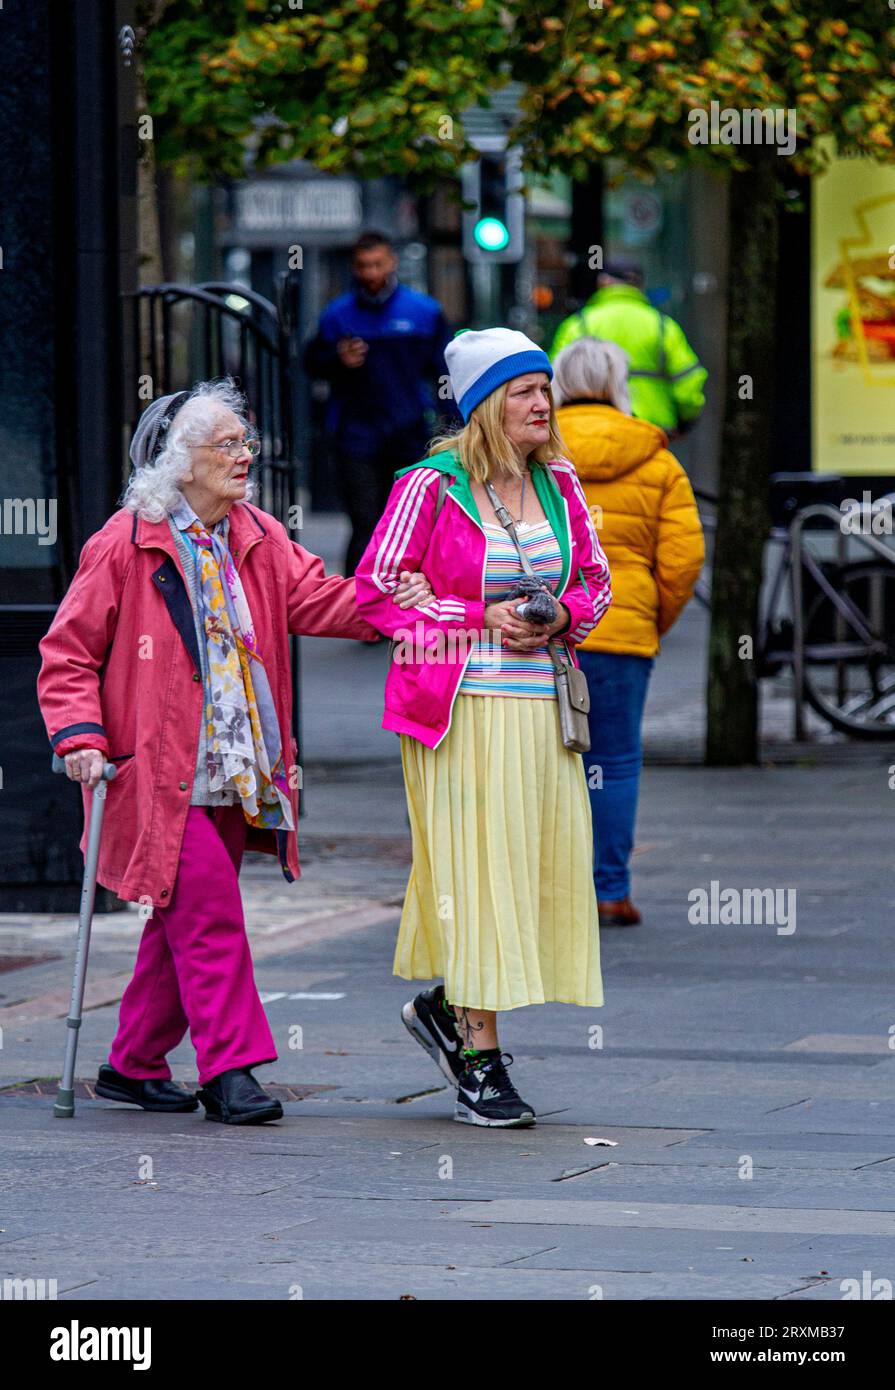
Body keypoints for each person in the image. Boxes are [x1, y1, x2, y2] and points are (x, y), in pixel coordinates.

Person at [37, 380, 431, 1125]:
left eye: (245, 442)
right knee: (211, 916)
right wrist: (80, 737)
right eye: (228, 444)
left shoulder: (254, 534)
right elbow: (67, 654)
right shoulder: (126, 543)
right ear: (181, 460)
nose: (246, 455)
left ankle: (131, 1065)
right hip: (157, 773)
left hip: (234, 765)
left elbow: (317, 599)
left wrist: (390, 601)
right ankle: (232, 1072)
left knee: (180, 921)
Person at [355, 328, 612, 1128]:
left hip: (541, 710)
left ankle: (444, 1008)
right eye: (523, 391)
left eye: (545, 388)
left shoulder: (561, 483)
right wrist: (479, 616)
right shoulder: (430, 487)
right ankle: (478, 1062)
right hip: (456, 711)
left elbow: (598, 583)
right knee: (478, 880)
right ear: (483, 407)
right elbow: (378, 591)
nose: (542, 403)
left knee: (531, 874)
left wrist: (560, 612)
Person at [553, 337, 704, 927]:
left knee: (541, 762)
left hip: (542, 633)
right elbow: (684, 560)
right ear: (621, 383)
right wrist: (648, 617)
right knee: (612, 762)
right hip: (621, 634)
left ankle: (552, 895)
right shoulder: (657, 457)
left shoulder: (534, 453)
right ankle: (610, 891)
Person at [304, 229, 459, 575]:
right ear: (354, 268)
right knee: (365, 522)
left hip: (409, 432)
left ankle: (408, 603)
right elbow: (310, 364)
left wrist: (451, 425)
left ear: (392, 262)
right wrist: (336, 358)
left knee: (412, 524)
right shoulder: (337, 315)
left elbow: (445, 371)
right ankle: (360, 608)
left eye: (377, 264)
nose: (371, 273)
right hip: (355, 437)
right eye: (363, 266)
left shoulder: (424, 312)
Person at [549, 257, 707, 436]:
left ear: (604, 282)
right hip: (653, 427)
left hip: (592, 427)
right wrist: (686, 419)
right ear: (639, 286)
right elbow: (688, 381)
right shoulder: (663, 326)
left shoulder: (579, 324)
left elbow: (556, 378)